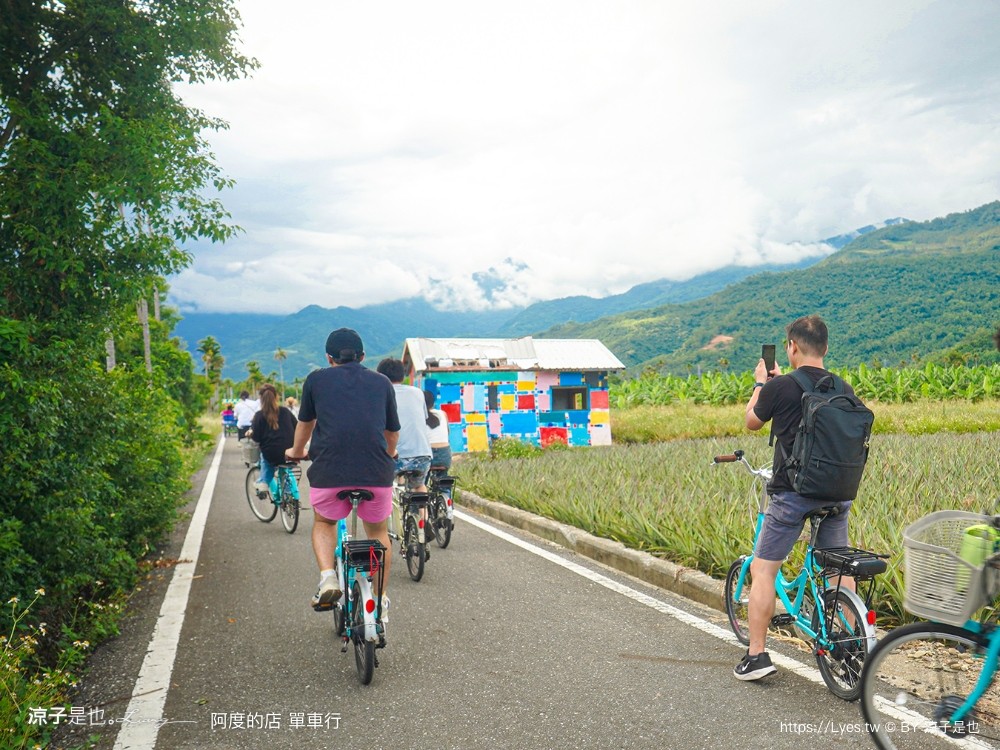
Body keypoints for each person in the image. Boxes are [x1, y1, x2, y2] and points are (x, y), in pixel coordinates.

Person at [735, 314, 858, 681]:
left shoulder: (780, 386)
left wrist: (760, 384)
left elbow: (751, 422)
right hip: (838, 494)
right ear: (825, 348)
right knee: (837, 570)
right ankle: (851, 646)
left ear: (791, 347)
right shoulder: (844, 387)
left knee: (763, 570)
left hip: (793, 494)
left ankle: (756, 656)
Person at [285, 329, 400, 616]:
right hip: (376, 473)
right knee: (377, 531)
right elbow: (392, 433)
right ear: (362, 357)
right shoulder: (382, 382)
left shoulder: (316, 380)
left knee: (324, 522)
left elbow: (305, 425)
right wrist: (388, 454)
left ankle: (327, 578)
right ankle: (381, 599)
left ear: (329, 358)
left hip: (329, 472)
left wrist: (296, 452)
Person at [376, 358, 432, 494]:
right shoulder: (418, 392)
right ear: (403, 375)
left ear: (380, 376)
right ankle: (422, 515)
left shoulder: (380, 394)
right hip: (422, 455)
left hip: (394, 455)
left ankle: (387, 513)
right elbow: (423, 418)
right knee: (419, 486)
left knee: (382, 487)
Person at [249, 384, 297, 498]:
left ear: (261, 398)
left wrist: (251, 434)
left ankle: (263, 482)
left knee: (265, 458)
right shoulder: (285, 411)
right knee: (283, 464)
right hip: (290, 452)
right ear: (277, 397)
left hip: (271, 454)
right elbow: (297, 427)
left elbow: (256, 438)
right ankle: (290, 496)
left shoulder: (259, 416)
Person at [424, 389, 451, 471]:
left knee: (420, 481)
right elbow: (448, 432)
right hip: (444, 454)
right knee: (443, 479)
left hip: (427, 454)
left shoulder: (420, 415)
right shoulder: (442, 413)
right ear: (433, 402)